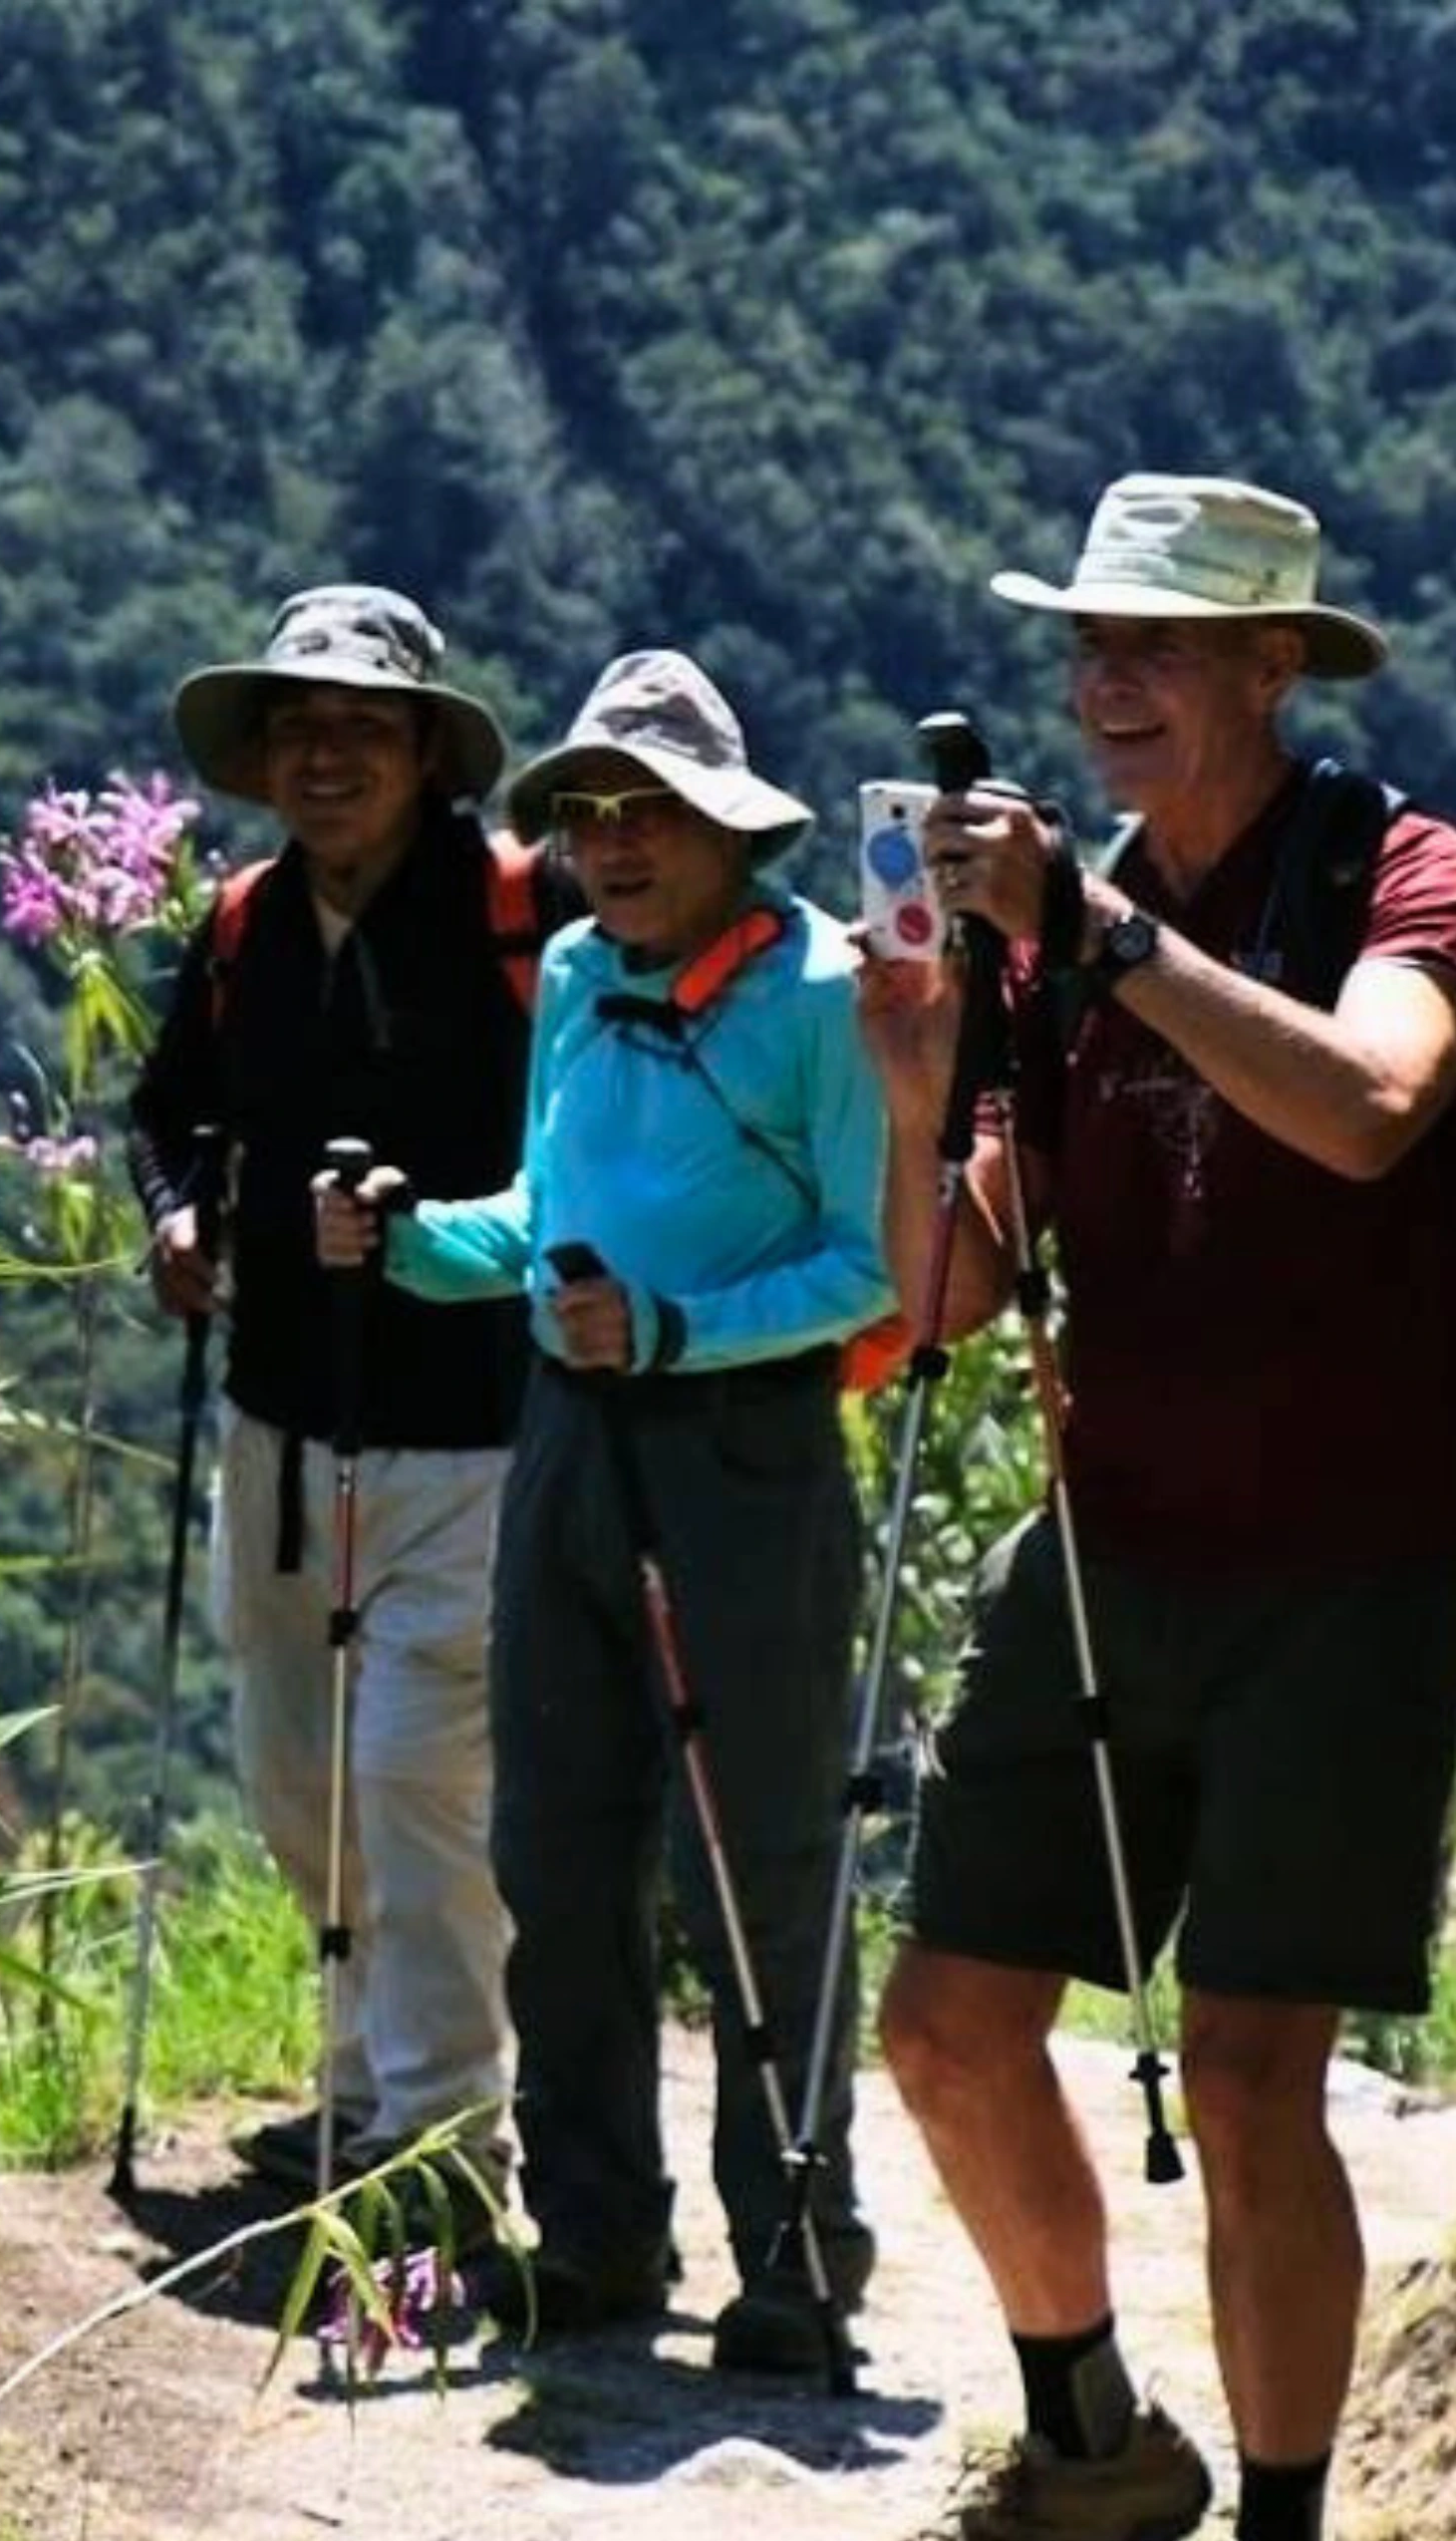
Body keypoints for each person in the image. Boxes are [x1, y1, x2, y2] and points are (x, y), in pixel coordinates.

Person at [843, 475, 1456, 2541]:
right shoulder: (1073, 920)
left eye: (1153, 649)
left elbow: (1375, 1108)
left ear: (1267, 671)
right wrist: (927, 1070)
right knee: (941, 2023)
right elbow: (956, 1290)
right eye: (1088, 649)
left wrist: (1103, 950)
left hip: (1358, 1558)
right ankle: (1089, 2444)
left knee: (1247, 2068)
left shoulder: (1409, 876)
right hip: (1114, 1539)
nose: (1104, 687)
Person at [317, 650, 892, 2376]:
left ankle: (793, 2262)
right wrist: (418, 1240)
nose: (613, 844)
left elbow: (869, 1271)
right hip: (571, 1444)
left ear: (730, 828)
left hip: (745, 1458)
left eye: (652, 813)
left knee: (760, 1863)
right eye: (588, 813)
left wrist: (675, 1330)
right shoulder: (573, 970)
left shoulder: (821, 995)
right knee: (557, 1853)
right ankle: (594, 2242)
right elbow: (548, 1211)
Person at [128, 583, 573, 2229]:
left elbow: (581, 1132)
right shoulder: (246, 929)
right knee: (294, 1771)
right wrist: (177, 1212)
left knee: (413, 1783)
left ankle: (451, 2147)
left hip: (472, 1430)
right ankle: (364, 2089)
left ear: (424, 757)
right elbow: (169, 1112)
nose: (326, 756)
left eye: (362, 729)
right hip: (282, 1423)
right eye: (299, 730)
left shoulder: (530, 921)